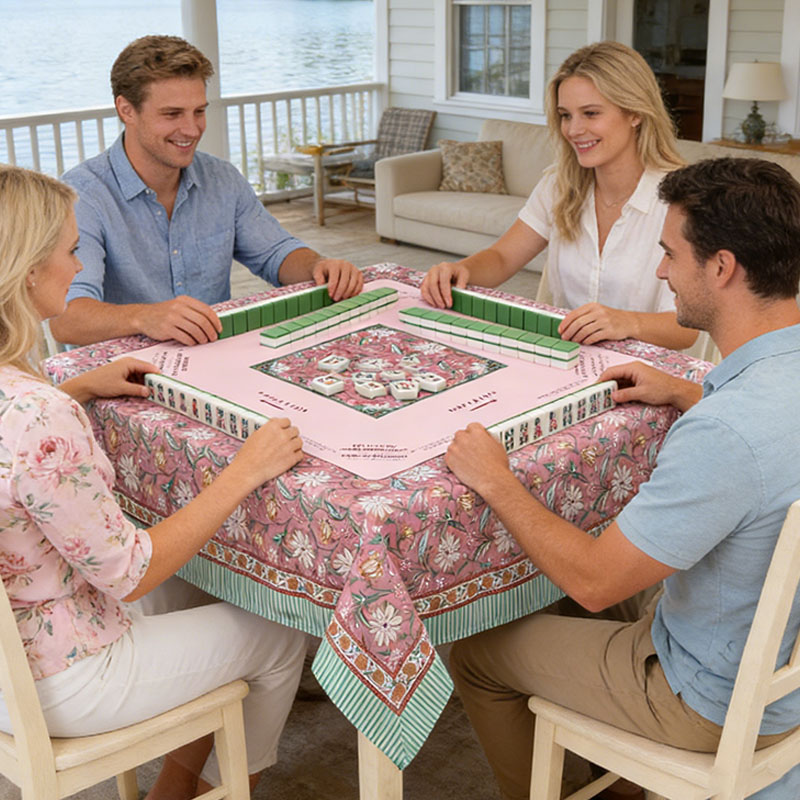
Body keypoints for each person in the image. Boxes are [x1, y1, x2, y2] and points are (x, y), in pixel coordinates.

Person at [444, 157, 800, 800]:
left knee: (476, 652)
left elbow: (592, 582)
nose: (662, 271)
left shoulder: (725, 434)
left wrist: (495, 479)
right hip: (783, 674)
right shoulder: (763, 391)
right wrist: (688, 390)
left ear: (721, 268)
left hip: (708, 699)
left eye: (670, 254)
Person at [0, 164, 310, 799]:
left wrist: (75, 387)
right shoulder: (40, 415)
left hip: (17, 651)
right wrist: (243, 471)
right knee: (283, 623)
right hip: (60, 674)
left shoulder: (28, 397)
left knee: (205, 592)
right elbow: (130, 571)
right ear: (29, 271)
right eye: (70, 249)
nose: (79, 260)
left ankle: (176, 785)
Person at [50, 34, 363, 347]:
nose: (192, 129)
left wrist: (317, 266)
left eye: (199, 111)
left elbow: (276, 253)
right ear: (126, 110)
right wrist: (144, 317)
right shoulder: (81, 196)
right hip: (114, 378)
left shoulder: (221, 179)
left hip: (210, 361)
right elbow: (67, 319)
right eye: (172, 114)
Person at [421, 42, 698, 352]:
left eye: (591, 113)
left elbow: (686, 328)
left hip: (648, 375)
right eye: (566, 115)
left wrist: (626, 322)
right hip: (566, 361)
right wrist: (463, 270)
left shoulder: (682, 201)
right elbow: (502, 258)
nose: (574, 130)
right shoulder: (559, 185)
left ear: (634, 112)